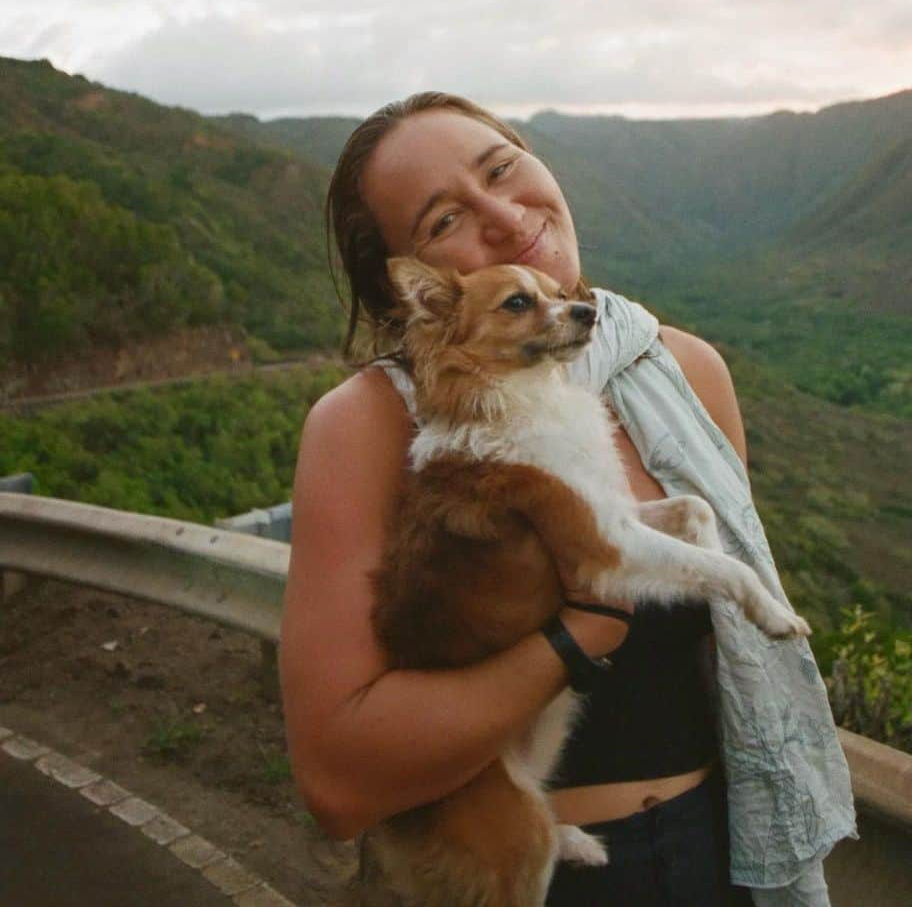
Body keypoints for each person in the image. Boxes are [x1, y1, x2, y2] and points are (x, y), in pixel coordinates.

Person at [279, 92, 854, 905]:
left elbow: (726, 662)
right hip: (524, 870)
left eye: (502, 168)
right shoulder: (367, 428)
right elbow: (339, 784)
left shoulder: (684, 373)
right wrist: (582, 626)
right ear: (417, 294)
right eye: (444, 222)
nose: (506, 218)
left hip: (720, 858)